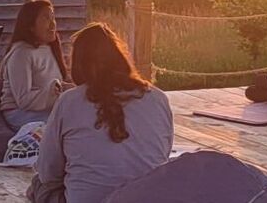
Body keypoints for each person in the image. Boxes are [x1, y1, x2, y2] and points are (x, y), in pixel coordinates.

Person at [29, 23, 174, 203]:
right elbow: (163, 155)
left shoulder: (70, 101)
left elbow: (47, 171)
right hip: (148, 197)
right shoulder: (158, 98)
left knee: (39, 185)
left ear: (79, 63)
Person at [0, 0, 71, 130]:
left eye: (53, 18)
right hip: (20, 114)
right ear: (30, 26)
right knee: (69, 125)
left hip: (47, 111)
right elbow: (23, 100)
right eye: (46, 19)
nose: (52, 25)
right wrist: (54, 92)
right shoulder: (21, 53)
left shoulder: (49, 48)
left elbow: (55, 87)